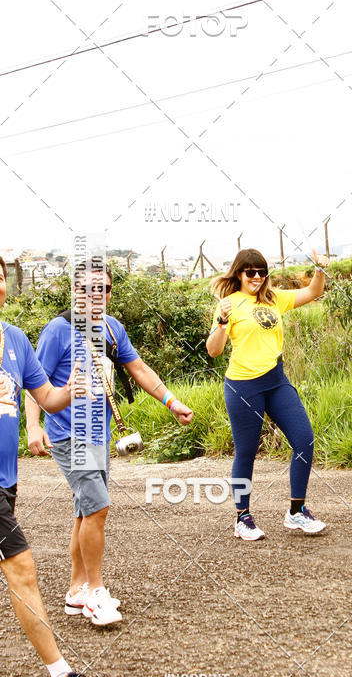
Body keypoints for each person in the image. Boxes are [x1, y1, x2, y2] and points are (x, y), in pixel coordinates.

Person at [25, 262, 194, 626]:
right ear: (76, 292)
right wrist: (33, 425)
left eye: (103, 289)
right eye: (88, 289)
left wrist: (171, 401)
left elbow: (139, 369)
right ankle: (97, 594)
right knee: (99, 509)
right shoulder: (59, 329)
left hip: (99, 434)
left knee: (87, 512)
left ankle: (76, 592)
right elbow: (33, 379)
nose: (96, 296)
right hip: (68, 432)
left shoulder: (112, 329)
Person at [0, 256, 102, 677]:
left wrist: (72, 390)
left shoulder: (16, 341)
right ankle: (60, 675)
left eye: (0, 278)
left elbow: (47, 398)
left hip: (7, 482)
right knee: (21, 567)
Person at [206, 248, 327, 540]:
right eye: (251, 272)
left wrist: (320, 268)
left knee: (304, 438)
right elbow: (214, 350)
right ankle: (242, 518)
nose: (257, 277)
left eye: (262, 272)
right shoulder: (229, 304)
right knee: (246, 452)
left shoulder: (273, 298)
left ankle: (296, 512)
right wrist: (222, 322)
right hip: (243, 385)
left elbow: (312, 292)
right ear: (239, 274)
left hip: (276, 381)